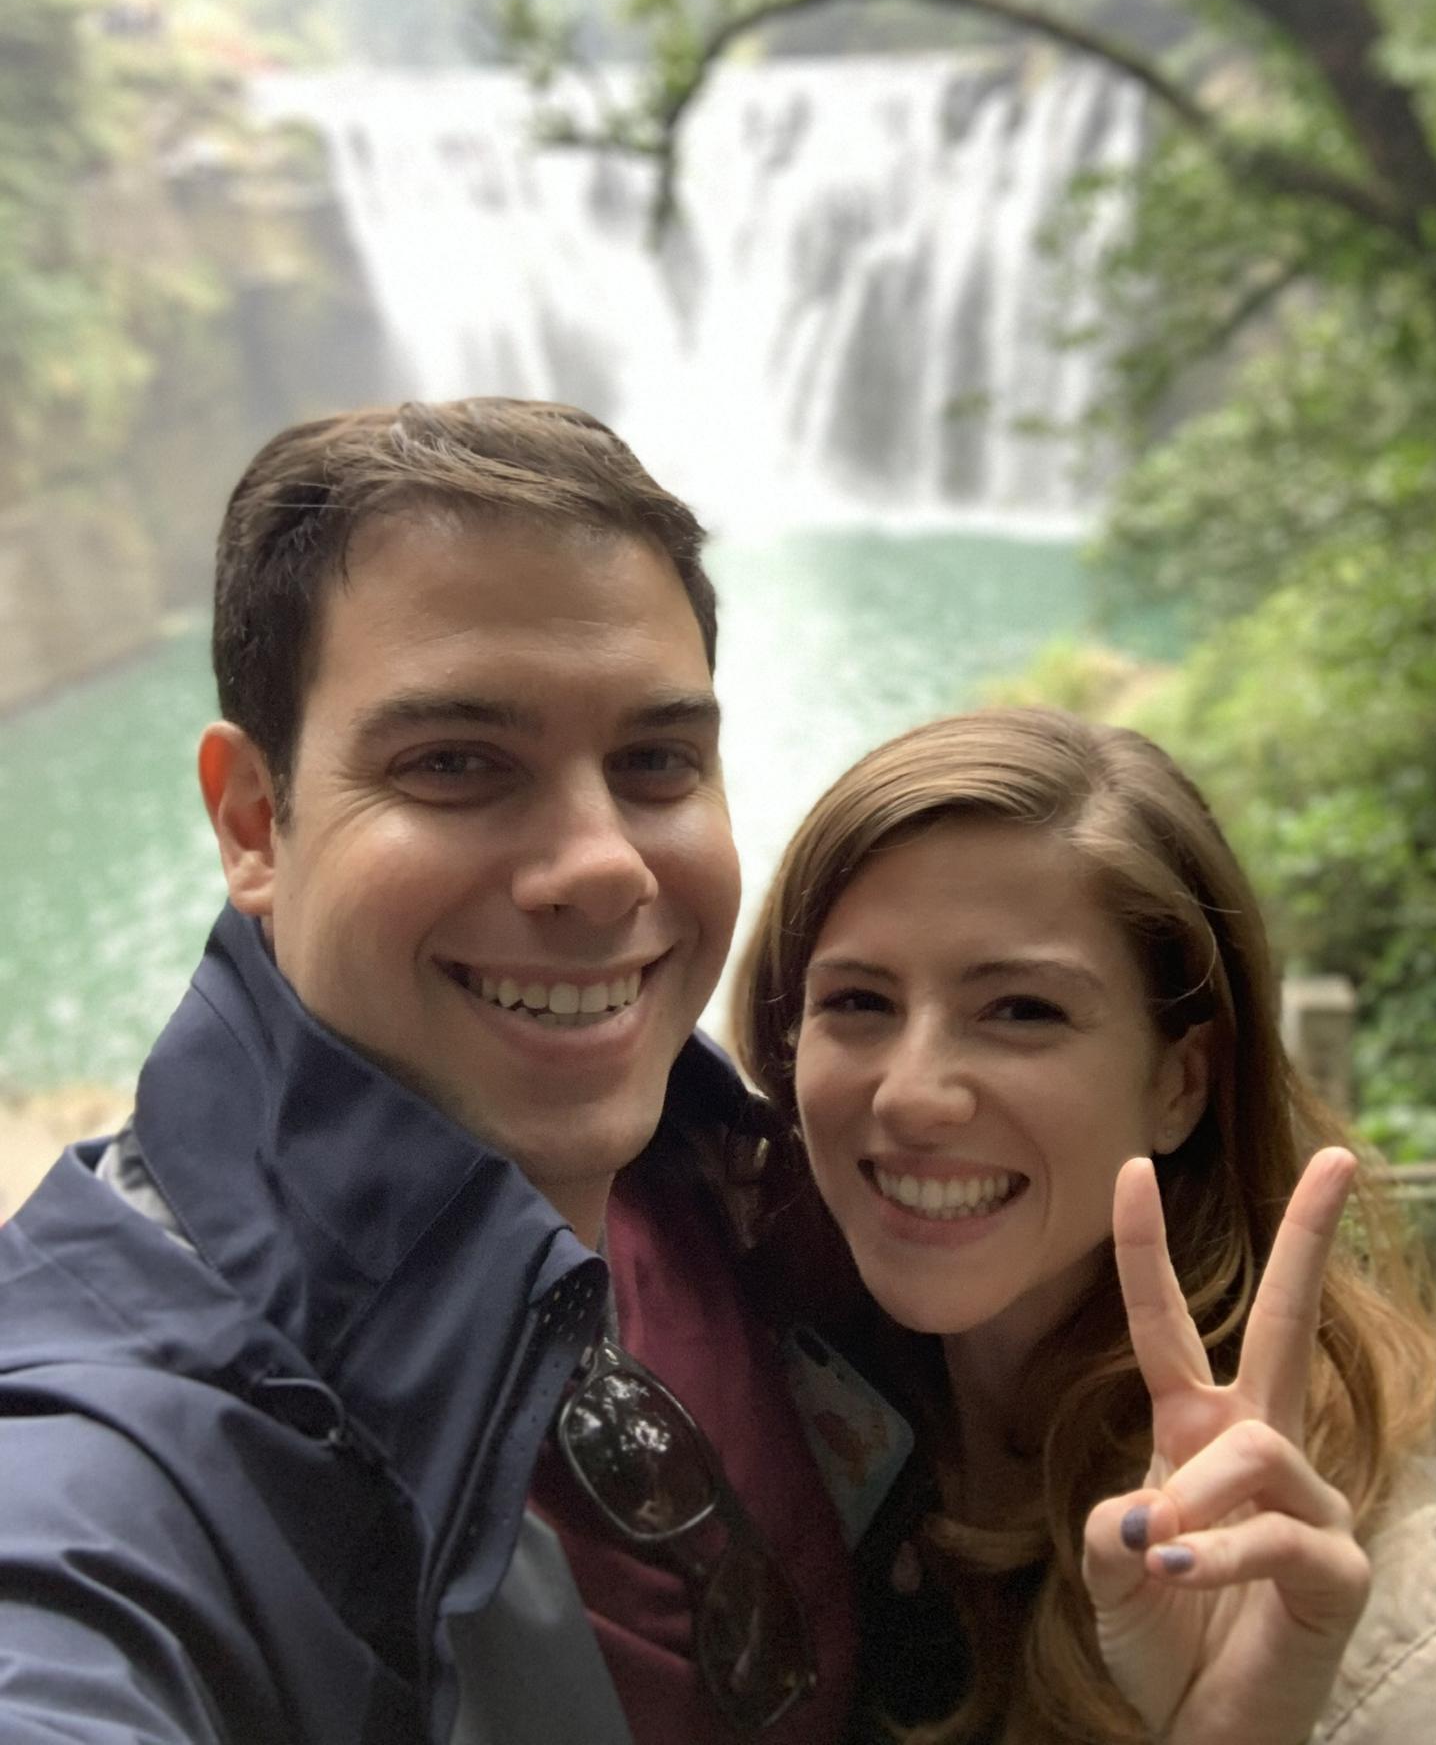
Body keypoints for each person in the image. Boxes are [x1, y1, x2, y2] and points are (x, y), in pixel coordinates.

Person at [0, 397, 857, 1744]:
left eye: (655, 761)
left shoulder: (732, 1180)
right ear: (254, 823)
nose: (603, 867)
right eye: (457, 763)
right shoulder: (116, 1464)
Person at [734, 706, 1436, 1745]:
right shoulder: (762, 1406)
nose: (912, 1095)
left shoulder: (1389, 1631)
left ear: (1180, 1081)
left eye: (1021, 1009)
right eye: (859, 1000)